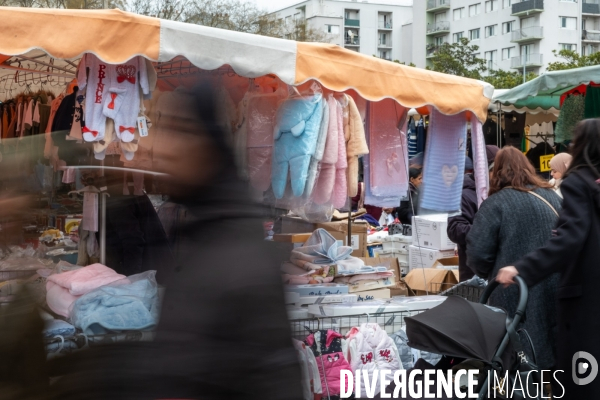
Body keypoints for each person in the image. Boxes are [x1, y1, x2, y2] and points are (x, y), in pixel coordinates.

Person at [45, 82, 305, 399]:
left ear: (207, 145)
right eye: (162, 129)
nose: (164, 147)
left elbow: (264, 373)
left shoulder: (236, 252)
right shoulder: (206, 231)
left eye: (179, 131)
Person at [497, 119, 600, 398]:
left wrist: (521, 269)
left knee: (582, 379)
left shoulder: (578, 183)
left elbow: (570, 237)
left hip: (585, 300)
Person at [466, 146, 561, 373]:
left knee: (517, 355)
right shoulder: (553, 197)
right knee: (551, 349)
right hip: (555, 285)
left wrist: (489, 272)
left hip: (512, 290)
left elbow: (478, 253)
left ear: (496, 172)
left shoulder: (496, 203)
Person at [447, 156, 476, 282]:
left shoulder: (496, 193)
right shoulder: (462, 195)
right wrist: (487, 230)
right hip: (472, 272)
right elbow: (455, 229)